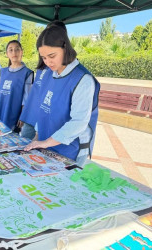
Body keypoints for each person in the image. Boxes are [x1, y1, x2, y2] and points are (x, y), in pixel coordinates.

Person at [24, 21, 100, 167]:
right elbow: (43, 108)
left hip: (70, 149)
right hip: (47, 144)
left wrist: (46, 142)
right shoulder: (48, 74)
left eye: (52, 56)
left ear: (65, 47)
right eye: (44, 57)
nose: (48, 62)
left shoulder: (83, 79)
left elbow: (79, 122)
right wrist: (38, 136)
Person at [0, 40, 34, 131]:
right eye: (10, 50)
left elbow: (26, 98)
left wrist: (23, 116)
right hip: (0, 112)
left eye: (17, 49)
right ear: (7, 54)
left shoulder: (27, 73)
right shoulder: (3, 71)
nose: (14, 52)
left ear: (21, 52)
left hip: (13, 115)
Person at [19, 67, 51, 139]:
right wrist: (24, 115)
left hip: (45, 117)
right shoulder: (40, 69)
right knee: (25, 143)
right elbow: (33, 94)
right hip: (31, 116)